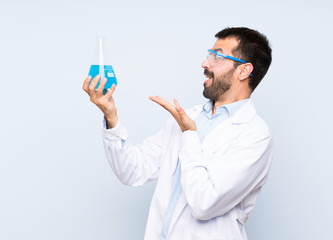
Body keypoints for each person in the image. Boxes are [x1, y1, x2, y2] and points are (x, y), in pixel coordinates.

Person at [83, 27, 273, 240]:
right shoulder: (187, 117)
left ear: (243, 71)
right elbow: (132, 171)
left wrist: (189, 134)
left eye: (216, 56)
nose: (204, 63)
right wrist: (111, 116)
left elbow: (205, 204)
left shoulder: (255, 135)